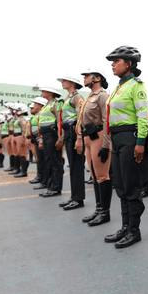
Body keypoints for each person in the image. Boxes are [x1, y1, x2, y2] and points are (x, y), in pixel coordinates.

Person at [103, 46, 148, 248]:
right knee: (120, 185)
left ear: (128, 64)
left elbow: (143, 116)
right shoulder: (118, 88)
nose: (112, 64)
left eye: (116, 61)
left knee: (131, 186)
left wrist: (140, 143)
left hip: (130, 137)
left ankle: (134, 230)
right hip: (117, 139)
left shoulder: (136, 86)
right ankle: (125, 227)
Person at [76, 67, 113, 227]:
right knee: (94, 175)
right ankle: (99, 209)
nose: (84, 79)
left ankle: (105, 212)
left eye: (86, 76)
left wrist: (106, 145)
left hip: (98, 137)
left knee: (102, 176)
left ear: (97, 78)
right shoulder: (89, 96)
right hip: (88, 138)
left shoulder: (102, 96)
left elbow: (107, 121)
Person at [57, 74, 86, 210]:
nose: (62, 83)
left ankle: (78, 199)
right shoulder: (66, 98)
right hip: (68, 133)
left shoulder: (77, 97)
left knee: (77, 167)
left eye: (64, 81)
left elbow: (80, 117)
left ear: (72, 83)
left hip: (75, 133)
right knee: (72, 166)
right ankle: (74, 196)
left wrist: (79, 137)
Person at [36, 85, 64, 197]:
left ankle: (56, 188)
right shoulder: (46, 105)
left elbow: (59, 121)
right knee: (48, 161)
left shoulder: (55, 104)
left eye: (44, 91)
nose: (42, 92)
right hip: (45, 135)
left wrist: (60, 138)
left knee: (55, 162)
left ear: (50, 93)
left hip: (52, 135)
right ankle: (50, 186)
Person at [28, 98, 47, 183]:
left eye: (35, 104)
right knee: (39, 158)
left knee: (42, 159)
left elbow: (41, 127)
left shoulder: (42, 114)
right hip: (36, 139)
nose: (33, 106)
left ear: (40, 105)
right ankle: (40, 176)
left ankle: (43, 179)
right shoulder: (36, 115)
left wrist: (40, 140)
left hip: (40, 139)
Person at [11, 104, 30, 178]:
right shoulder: (17, 119)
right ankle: (18, 169)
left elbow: (24, 130)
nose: (15, 112)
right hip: (15, 136)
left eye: (16, 110)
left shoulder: (22, 120)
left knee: (23, 154)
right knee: (17, 153)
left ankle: (24, 171)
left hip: (20, 137)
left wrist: (23, 139)